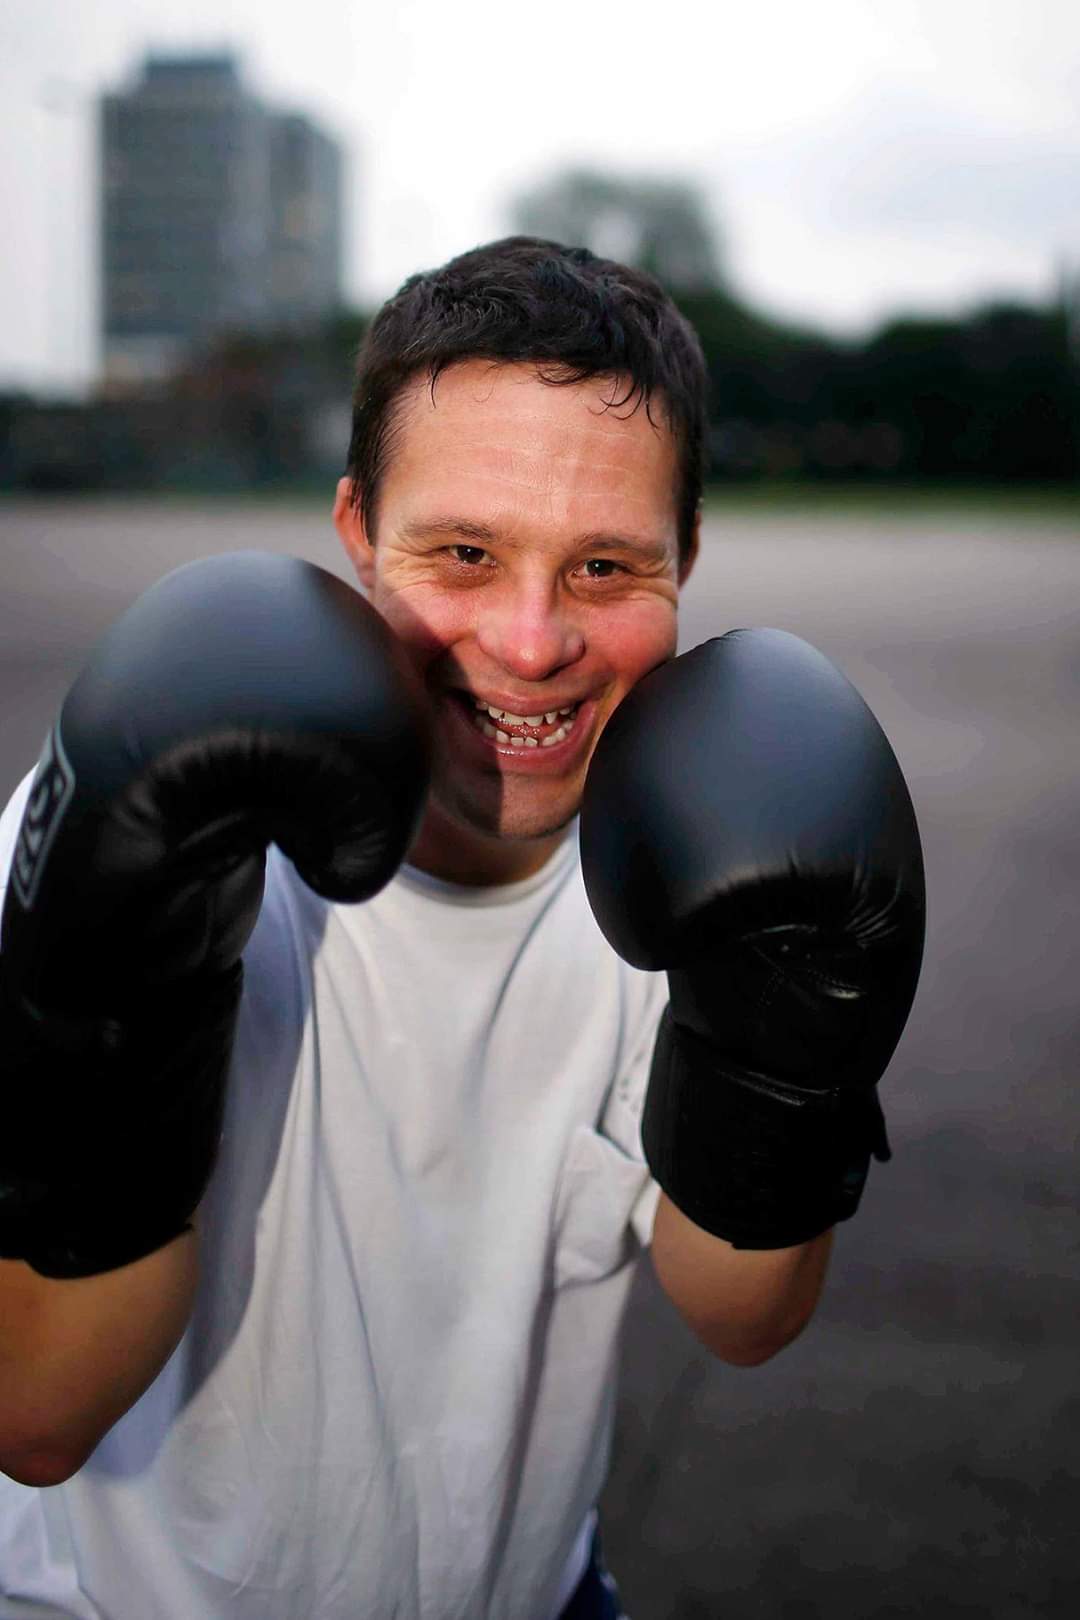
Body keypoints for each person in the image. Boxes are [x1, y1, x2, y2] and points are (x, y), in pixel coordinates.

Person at [0, 237, 924, 1620]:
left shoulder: (712, 861)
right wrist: (111, 1028)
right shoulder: (131, 837)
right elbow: (37, 1412)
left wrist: (795, 1057)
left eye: (608, 565)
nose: (533, 639)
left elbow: (744, 1316)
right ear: (358, 531)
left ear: (688, 562)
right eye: (466, 553)